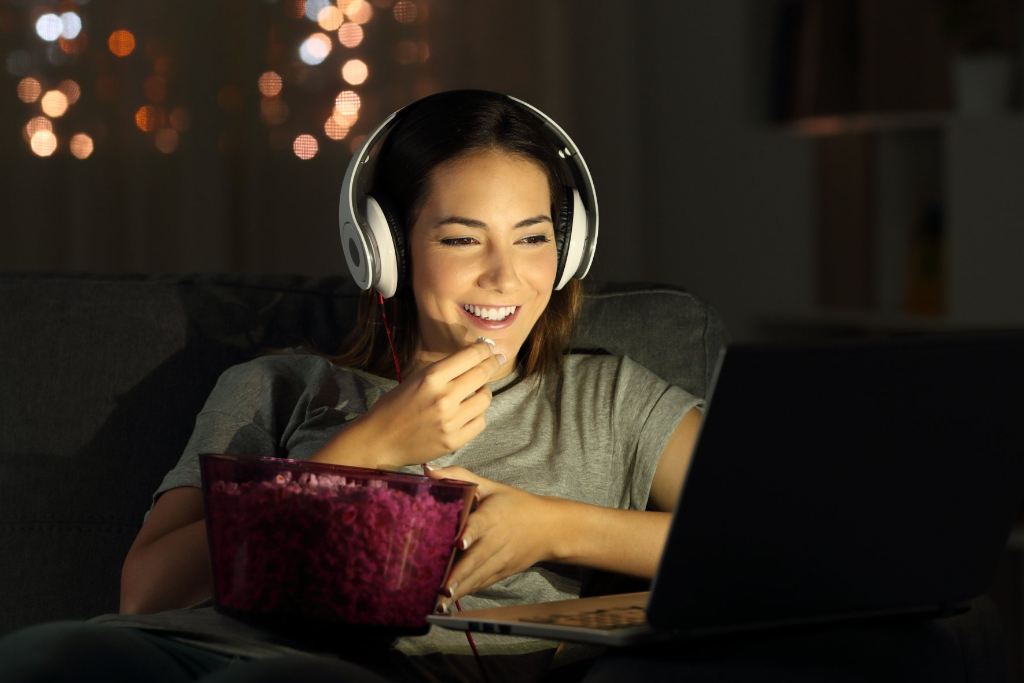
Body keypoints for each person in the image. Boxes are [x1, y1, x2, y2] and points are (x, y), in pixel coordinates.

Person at [0, 90, 702, 683]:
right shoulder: (275, 386)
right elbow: (148, 593)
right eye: (462, 239)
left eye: (532, 237)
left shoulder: (611, 400)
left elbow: (770, 544)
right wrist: (364, 449)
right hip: (193, 646)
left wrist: (553, 525)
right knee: (48, 651)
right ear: (385, 248)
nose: (505, 276)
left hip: (366, 670)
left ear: (570, 245)